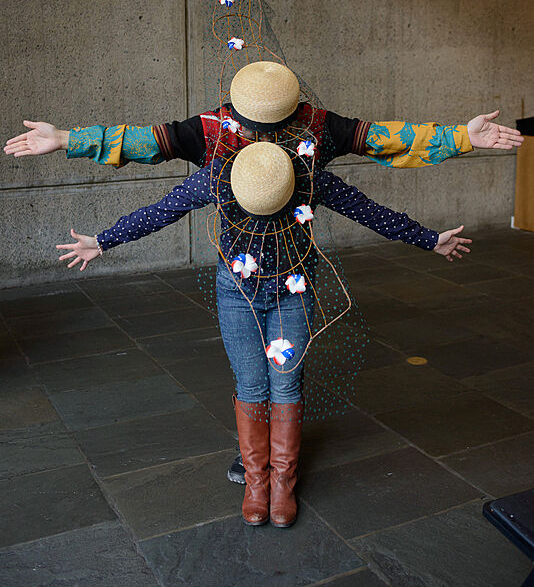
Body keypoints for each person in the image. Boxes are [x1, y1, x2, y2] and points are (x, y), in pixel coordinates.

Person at [3, 60, 524, 486]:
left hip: (294, 277)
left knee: (285, 377)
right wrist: (71, 144)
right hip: (238, 282)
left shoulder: (318, 141)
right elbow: (147, 153)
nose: (262, 134)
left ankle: (280, 470)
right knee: (252, 379)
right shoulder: (210, 137)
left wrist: (459, 142)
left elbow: (385, 155)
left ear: (294, 110)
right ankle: (259, 470)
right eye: (254, 125)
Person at [56, 140, 472, 528]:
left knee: (286, 382)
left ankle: (282, 482)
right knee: (252, 384)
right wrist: (103, 241)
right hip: (237, 296)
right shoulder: (217, 175)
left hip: (292, 294)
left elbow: (368, 210)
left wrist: (429, 239)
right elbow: (163, 210)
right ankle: (257, 482)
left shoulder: (307, 175)